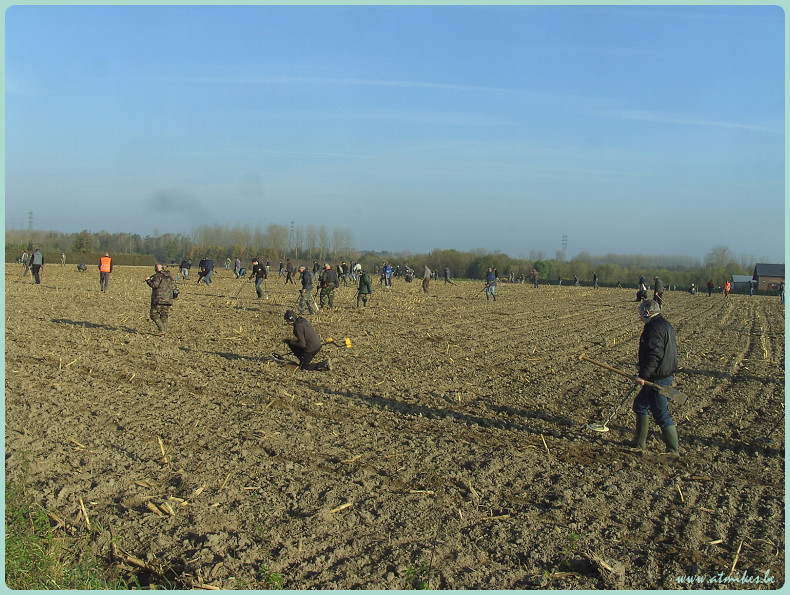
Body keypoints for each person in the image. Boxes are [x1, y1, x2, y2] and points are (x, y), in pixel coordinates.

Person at [631, 299, 679, 455]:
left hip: (658, 377)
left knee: (661, 414)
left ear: (647, 312)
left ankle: (673, 451)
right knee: (640, 404)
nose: (639, 316)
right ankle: (639, 443)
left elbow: (655, 355)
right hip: (662, 374)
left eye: (640, 313)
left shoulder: (653, 329)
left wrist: (643, 375)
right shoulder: (665, 325)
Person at [145, 264, 177, 336]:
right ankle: (164, 331)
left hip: (159, 299)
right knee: (164, 315)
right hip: (168, 300)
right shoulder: (169, 277)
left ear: (156, 269)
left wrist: (148, 280)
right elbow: (174, 287)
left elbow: (154, 285)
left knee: (153, 314)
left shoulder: (157, 276)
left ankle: (162, 330)